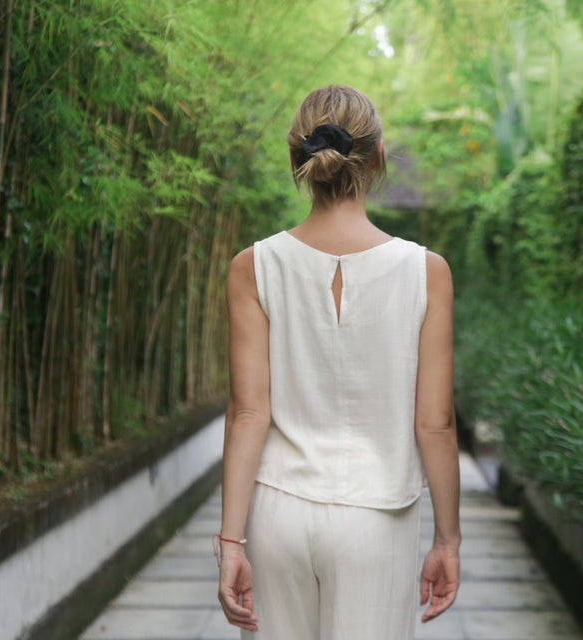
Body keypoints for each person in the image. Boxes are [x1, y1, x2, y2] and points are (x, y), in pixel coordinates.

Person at [216, 85, 460, 640]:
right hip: (378, 516)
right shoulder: (426, 271)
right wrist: (448, 540)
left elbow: (247, 415)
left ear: (297, 157)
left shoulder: (254, 265)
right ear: (377, 157)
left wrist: (231, 542)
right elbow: (435, 424)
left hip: (279, 511)